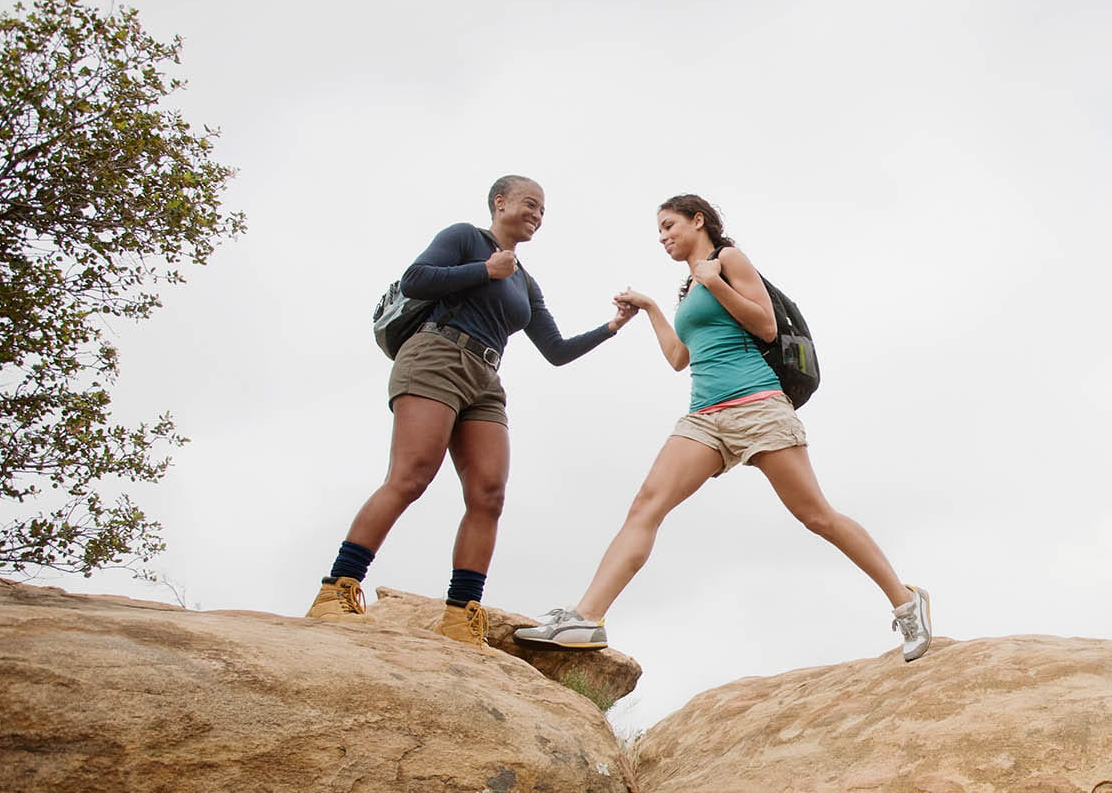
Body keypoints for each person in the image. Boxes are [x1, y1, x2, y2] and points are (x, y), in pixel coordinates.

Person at [514, 194, 933, 661]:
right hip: (704, 416)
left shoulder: (726, 260)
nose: (663, 236)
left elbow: (767, 326)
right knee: (645, 507)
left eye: (669, 225)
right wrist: (652, 308)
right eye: (658, 231)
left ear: (699, 221)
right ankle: (586, 618)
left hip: (757, 405)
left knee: (816, 515)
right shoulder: (688, 289)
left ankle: (905, 599)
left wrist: (716, 282)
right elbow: (679, 359)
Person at [305, 175, 636, 646]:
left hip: (486, 377)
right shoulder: (465, 238)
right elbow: (417, 280)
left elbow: (556, 351)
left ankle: (461, 617)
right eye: (530, 204)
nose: (537, 216)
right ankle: (337, 590)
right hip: (436, 355)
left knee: (488, 494)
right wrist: (485, 270)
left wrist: (613, 325)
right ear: (500, 203)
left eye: (543, 211)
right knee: (412, 474)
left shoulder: (526, 280)